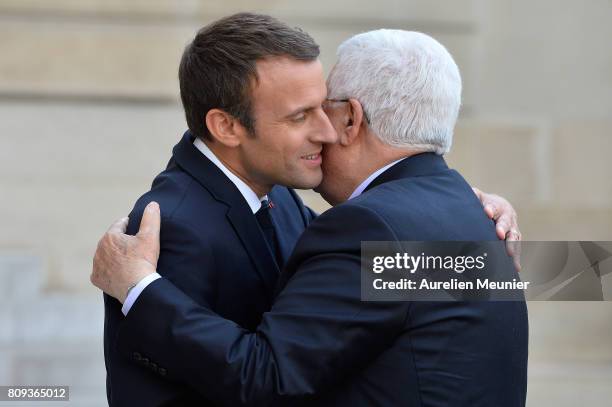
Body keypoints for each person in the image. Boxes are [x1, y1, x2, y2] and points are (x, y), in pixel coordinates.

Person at [93, 28, 527, 406]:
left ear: (353, 118)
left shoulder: (374, 228)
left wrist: (138, 289)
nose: (322, 130)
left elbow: (269, 376)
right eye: (302, 115)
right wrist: (456, 218)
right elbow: (577, 272)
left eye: (324, 109)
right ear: (226, 126)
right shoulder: (465, 216)